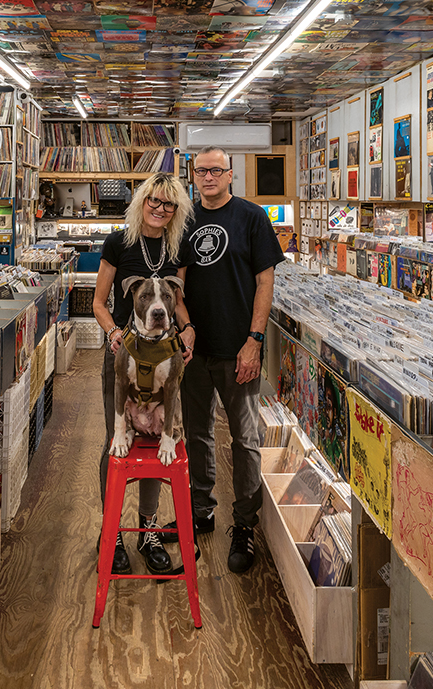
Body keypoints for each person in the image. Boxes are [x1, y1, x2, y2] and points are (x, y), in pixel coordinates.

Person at [160, 146, 285, 574]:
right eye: (201, 171)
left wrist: (254, 340)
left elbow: (265, 282)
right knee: (196, 434)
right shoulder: (185, 219)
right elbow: (177, 284)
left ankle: (245, 525)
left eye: (216, 170)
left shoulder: (252, 218)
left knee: (245, 440)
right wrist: (186, 326)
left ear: (231, 174)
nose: (208, 177)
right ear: (193, 176)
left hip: (239, 351)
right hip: (195, 351)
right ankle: (201, 510)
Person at [92, 172, 195, 575]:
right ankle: (113, 530)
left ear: (176, 210)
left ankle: (148, 529)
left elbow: (176, 303)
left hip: (164, 356)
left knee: (154, 439)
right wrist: (114, 332)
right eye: (154, 200)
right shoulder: (119, 243)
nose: (160, 209)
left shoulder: (177, 247)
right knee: (115, 440)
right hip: (124, 354)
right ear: (141, 202)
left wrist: (187, 328)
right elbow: (100, 302)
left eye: (169, 204)